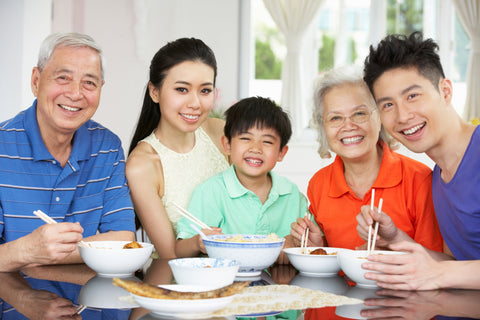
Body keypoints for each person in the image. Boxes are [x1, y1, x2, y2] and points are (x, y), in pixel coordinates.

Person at [0, 33, 135, 272]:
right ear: (36, 81)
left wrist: (36, 254)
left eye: (89, 83)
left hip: (84, 302)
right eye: (63, 78)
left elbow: (124, 240)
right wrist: (27, 249)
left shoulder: (107, 147)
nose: (75, 93)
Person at [357, 31, 480, 290]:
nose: (402, 116)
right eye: (388, 105)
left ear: (445, 91)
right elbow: (457, 265)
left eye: (412, 96)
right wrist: (396, 240)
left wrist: (438, 274)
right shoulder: (437, 176)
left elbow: (444, 273)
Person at [289, 66, 443, 252]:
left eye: (359, 114)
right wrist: (317, 248)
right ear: (323, 128)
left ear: (380, 118)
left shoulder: (419, 180)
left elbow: (435, 262)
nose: (348, 126)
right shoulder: (319, 184)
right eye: (335, 118)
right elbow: (330, 261)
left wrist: (392, 252)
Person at [126, 38, 229, 259]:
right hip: (177, 282)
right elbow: (169, 255)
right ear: (155, 92)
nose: (195, 103)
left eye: (205, 91)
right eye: (182, 89)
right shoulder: (142, 165)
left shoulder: (220, 132)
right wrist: (199, 242)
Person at [175, 96, 308, 263]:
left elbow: (311, 245)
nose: (255, 148)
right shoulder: (210, 192)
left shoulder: (292, 194)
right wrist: (197, 243)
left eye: (267, 141)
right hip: (226, 282)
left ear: (281, 152)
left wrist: (298, 244)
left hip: (279, 285)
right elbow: (179, 250)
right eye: (245, 138)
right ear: (227, 145)